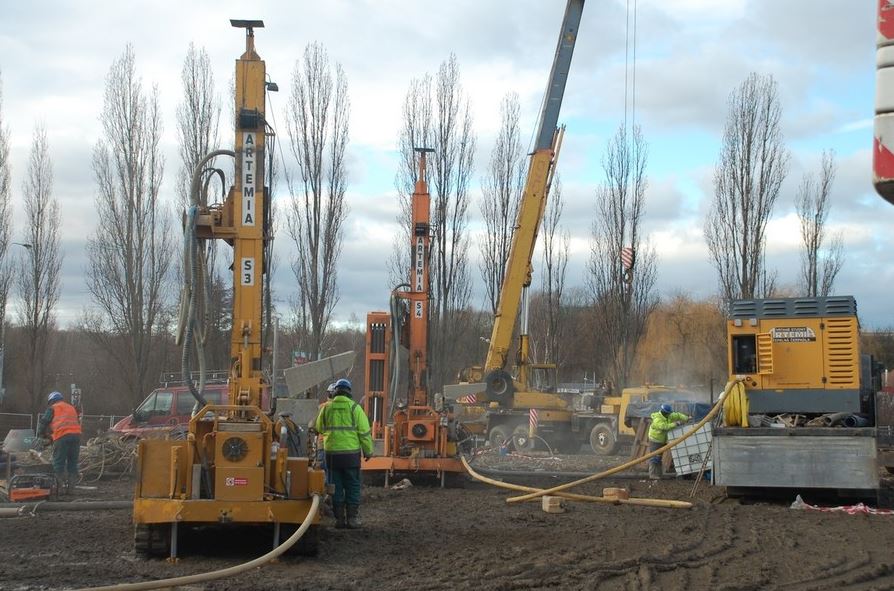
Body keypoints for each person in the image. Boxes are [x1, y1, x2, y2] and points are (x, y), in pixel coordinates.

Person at [314, 378, 373, 529]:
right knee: (353, 485)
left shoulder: (326, 408)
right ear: (349, 392)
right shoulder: (355, 408)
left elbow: (319, 428)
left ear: (334, 392)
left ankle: (339, 520)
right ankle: (352, 519)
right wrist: (368, 452)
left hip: (332, 456)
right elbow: (364, 433)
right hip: (351, 456)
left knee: (336, 486)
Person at [37, 391, 83, 492]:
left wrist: (41, 434)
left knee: (58, 463)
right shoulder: (71, 408)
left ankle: (59, 490)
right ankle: (71, 490)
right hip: (76, 437)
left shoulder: (53, 408)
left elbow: (44, 422)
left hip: (62, 437)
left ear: (52, 401)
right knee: (73, 463)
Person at [647, 403, 689, 480]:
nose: (670, 415)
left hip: (662, 439)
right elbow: (664, 427)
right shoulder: (657, 419)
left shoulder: (668, 415)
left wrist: (686, 418)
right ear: (664, 412)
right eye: (668, 413)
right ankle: (652, 475)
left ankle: (659, 475)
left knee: (659, 457)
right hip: (655, 440)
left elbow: (678, 415)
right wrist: (676, 423)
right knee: (654, 458)